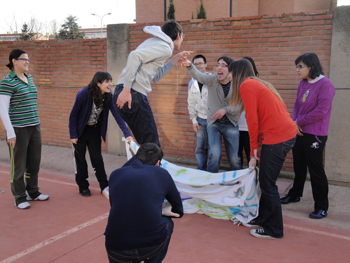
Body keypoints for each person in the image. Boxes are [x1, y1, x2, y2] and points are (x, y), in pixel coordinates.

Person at [228, 59, 297, 239]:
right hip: (281, 135)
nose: (229, 76)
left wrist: (252, 152)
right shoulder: (256, 83)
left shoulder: (246, 85)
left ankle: (274, 229)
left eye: (231, 73)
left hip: (277, 137)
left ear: (237, 73)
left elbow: (252, 121)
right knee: (266, 182)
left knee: (267, 184)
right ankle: (263, 219)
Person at [113, 19, 191, 147]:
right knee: (153, 148)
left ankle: (144, 165)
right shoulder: (165, 48)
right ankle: (151, 166)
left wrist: (176, 58)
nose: (182, 38)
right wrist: (127, 90)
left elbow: (155, 76)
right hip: (132, 94)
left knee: (147, 147)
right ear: (178, 35)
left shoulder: (153, 43)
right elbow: (134, 56)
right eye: (183, 36)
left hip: (123, 92)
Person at [104, 143, 183, 263]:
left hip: (115, 248)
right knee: (168, 223)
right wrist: (160, 210)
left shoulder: (115, 174)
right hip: (151, 246)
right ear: (157, 162)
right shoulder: (162, 173)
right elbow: (178, 211)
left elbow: (117, 206)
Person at [280, 53, 335, 219]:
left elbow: (321, 111)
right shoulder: (303, 83)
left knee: (316, 169)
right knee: (299, 165)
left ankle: (321, 206)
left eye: (300, 66)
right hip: (299, 130)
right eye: (297, 66)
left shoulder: (325, 84)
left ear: (311, 66)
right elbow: (297, 104)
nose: (297, 70)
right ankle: (295, 194)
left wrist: (298, 122)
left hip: (315, 134)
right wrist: (294, 122)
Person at [69, 71, 132, 197]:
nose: (110, 84)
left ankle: (104, 185)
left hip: (94, 130)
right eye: (107, 82)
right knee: (80, 159)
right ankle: (83, 186)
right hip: (80, 131)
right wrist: (73, 134)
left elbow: (117, 115)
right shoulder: (84, 94)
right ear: (98, 83)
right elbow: (73, 114)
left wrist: (127, 134)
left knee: (97, 158)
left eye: (110, 81)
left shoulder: (108, 96)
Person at [0, 49, 49, 209]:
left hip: (34, 126)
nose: (27, 62)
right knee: (19, 165)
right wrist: (10, 132)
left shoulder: (29, 78)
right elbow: (2, 109)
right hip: (18, 129)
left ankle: (33, 191)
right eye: (24, 59)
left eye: (28, 59)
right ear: (14, 61)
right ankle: (19, 197)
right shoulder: (7, 82)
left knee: (34, 162)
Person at [182, 56, 241, 173]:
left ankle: (237, 183)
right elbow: (198, 76)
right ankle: (210, 183)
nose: (219, 67)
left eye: (223, 65)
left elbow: (240, 104)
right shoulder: (213, 79)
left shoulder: (236, 83)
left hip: (231, 124)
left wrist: (226, 109)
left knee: (234, 159)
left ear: (230, 69)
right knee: (215, 155)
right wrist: (189, 66)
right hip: (214, 124)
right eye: (218, 64)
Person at [187, 54, 209, 170]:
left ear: (206, 64)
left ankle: (211, 174)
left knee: (214, 151)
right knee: (200, 148)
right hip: (200, 120)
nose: (198, 66)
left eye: (200, 63)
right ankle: (201, 172)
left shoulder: (212, 80)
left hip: (213, 120)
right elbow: (191, 103)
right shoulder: (192, 83)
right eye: (195, 64)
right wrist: (194, 120)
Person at [237, 57, 258, 168]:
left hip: (250, 128)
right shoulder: (235, 83)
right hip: (236, 126)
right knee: (237, 157)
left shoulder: (253, 83)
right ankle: (238, 181)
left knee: (252, 157)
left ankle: (253, 181)